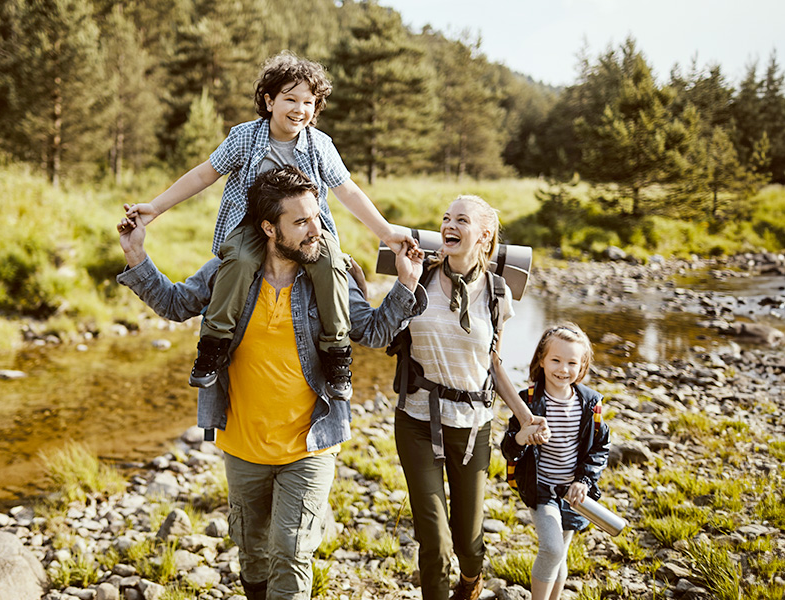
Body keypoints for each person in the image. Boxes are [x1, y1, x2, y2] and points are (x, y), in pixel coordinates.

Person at [117, 166, 426, 600]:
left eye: (316, 217)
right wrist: (136, 256)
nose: (314, 230)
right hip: (244, 445)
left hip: (311, 441)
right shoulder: (230, 272)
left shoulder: (330, 276)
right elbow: (175, 303)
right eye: (300, 222)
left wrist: (407, 283)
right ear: (268, 227)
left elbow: (373, 331)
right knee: (253, 550)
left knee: (293, 549)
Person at [123, 50, 413, 400]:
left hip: (308, 233)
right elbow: (204, 174)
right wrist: (155, 207)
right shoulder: (245, 138)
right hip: (250, 228)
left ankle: (336, 352)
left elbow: (347, 190)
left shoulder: (320, 145)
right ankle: (214, 343)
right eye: (290, 98)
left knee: (333, 263)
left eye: (308, 101)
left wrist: (386, 232)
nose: (299, 109)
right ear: (269, 99)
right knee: (241, 261)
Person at [388, 195, 549, 600]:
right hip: (416, 421)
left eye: (461, 219)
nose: (449, 224)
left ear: (484, 235)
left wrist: (525, 417)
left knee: (468, 542)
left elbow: (493, 365)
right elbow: (384, 326)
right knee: (435, 542)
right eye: (445, 217)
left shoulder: (497, 294)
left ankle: (471, 580)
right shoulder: (419, 276)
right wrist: (355, 287)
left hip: (473, 427)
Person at [501, 323, 611, 600]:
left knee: (560, 555)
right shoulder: (527, 402)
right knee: (551, 549)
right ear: (541, 359)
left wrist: (584, 480)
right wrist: (523, 438)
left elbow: (599, 447)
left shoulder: (589, 404)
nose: (563, 369)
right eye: (556, 360)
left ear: (583, 364)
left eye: (572, 362)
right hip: (541, 489)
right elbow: (508, 448)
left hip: (573, 492)